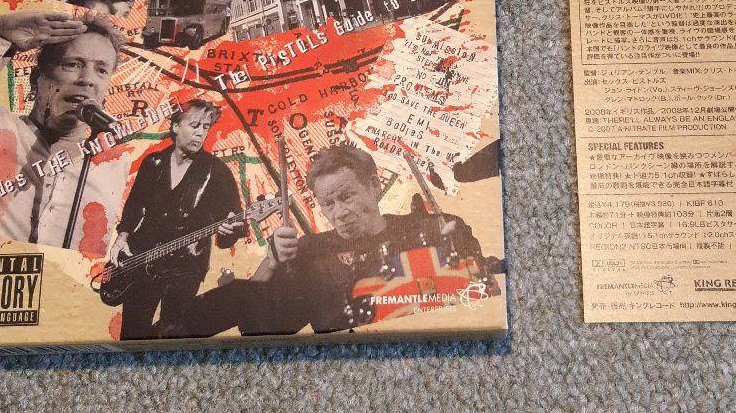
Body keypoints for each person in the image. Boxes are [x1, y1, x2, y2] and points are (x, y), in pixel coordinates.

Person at [158, 144, 490, 339]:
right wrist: (272, 263)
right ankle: (159, 337)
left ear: (374, 186)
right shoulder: (309, 252)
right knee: (235, 295)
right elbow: (267, 323)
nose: (339, 213)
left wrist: (460, 249)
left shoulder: (430, 228)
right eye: (328, 204)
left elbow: (479, 297)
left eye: (347, 197)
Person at [0, 11, 131, 250]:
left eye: (101, 70)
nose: (87, 79)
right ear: (36, 78)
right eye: (72, 64)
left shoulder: (116, 168)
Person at [107, 100, 246, 340]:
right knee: (132, 333)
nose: (200, 132)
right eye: (194, 125)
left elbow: (234, 223)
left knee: (171, 334)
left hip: (186, 267)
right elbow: (135, 206)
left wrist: (230, 230)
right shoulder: (153, 163)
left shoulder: (218, 172)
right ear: (175, 126)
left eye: (206, 127)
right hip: (143, 258)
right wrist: (122, 237)